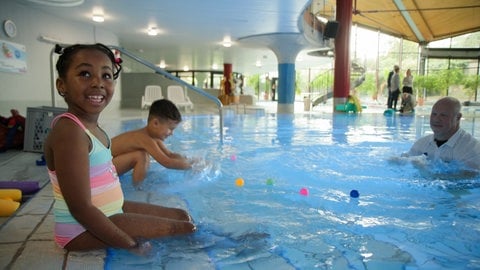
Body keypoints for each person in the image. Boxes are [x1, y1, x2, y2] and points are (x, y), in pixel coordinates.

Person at [43, 43, 195, 253]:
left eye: (106, 75)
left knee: (182, 216)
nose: (98, 83)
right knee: (184, 229)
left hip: (112, 210)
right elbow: (80, 208)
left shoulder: (93, 128)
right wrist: (130, 243)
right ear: (62, 85)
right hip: (80, 231)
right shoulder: (70, 133)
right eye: (85, 74)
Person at [111, 99, 193, 185]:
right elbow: (167, 162)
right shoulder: (144, 138)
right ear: (155, 123)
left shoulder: (153, 137)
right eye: (170, 129)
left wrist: (191, 160)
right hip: (99, 170)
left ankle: (139, 184)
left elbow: (170, 155)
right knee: (141, 156)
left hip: (108, 166)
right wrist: (191, 166)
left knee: (143, 154)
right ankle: (138, 188)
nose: (172, 133)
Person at [403, 97, 480, 170]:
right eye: (434, 114)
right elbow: (404, 160)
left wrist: (425, 171)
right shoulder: (422, 144)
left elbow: (468, 179)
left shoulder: (472, 149)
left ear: (458, 117)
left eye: (443, 115)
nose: (436, 119)